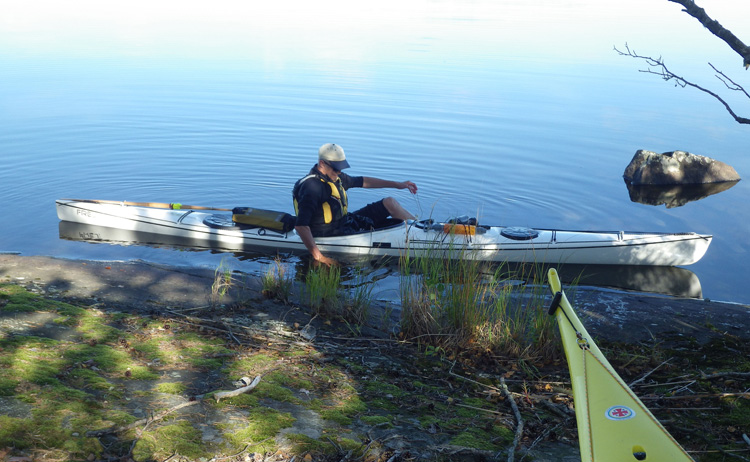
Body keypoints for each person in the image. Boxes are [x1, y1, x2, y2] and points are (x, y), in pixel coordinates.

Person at [293, 143, 418, 266]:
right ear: (322, 163)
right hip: (327, 233)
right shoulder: (311, 188)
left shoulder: (335, 177)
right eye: (336, 168)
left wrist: (398, 185)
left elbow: (363, 181)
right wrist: (319, 257)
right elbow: (301, 226)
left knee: (389, 203)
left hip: (345, 223)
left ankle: (418, 230)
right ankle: (418, 241)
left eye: (341, 168)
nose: (339, 172)